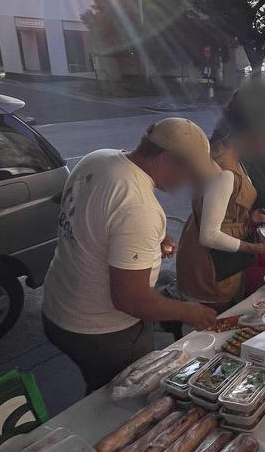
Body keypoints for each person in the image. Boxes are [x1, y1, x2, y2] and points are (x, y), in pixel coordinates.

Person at [42, 119, 219, 393]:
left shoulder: (97, 158)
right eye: (190, 173)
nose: (188, 183)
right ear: (167, 159)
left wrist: (141, 243)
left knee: (97, 391)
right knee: (125, 402)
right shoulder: (139, 207)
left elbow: (87, 217)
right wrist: (188, 311)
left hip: (57, 310)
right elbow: (130, 299)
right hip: (100, 331)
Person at [176, 91, 265, 311]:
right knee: (216, 330)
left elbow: (223, 205)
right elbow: (209, 235)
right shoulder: (224, 168)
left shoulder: (230, 152)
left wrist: (247, 216)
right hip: (213, 265)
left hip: (223, 259)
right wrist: (258, 248)